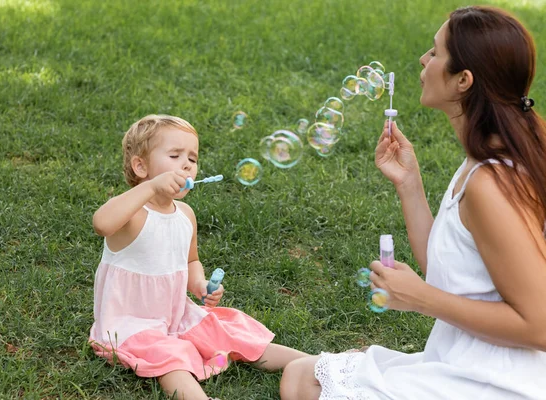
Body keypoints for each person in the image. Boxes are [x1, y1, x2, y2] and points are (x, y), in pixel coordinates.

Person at [280, 5, 546, 400]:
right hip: (472, 357)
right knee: (302, 375)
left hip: (501, 381)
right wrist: (409, 185)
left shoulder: (491, 182)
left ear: (463, 80)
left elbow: (538, 326)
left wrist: (421, 299)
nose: (423, 59)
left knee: (301, 383)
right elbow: (454, 274)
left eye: (435, 52)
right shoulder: (485, 158)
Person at [90, 114, 308, 400]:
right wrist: (150, 188)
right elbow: (101, 223)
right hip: (132, 323)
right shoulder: (132, 215)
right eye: (175, 155)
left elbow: (191, 260)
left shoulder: (185, 215)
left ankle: (319, 362)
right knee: (171, 357)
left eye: (192, 158)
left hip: (175, 314)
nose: (187, 164)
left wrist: (200, 284)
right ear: (140, 166)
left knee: (228, 334)